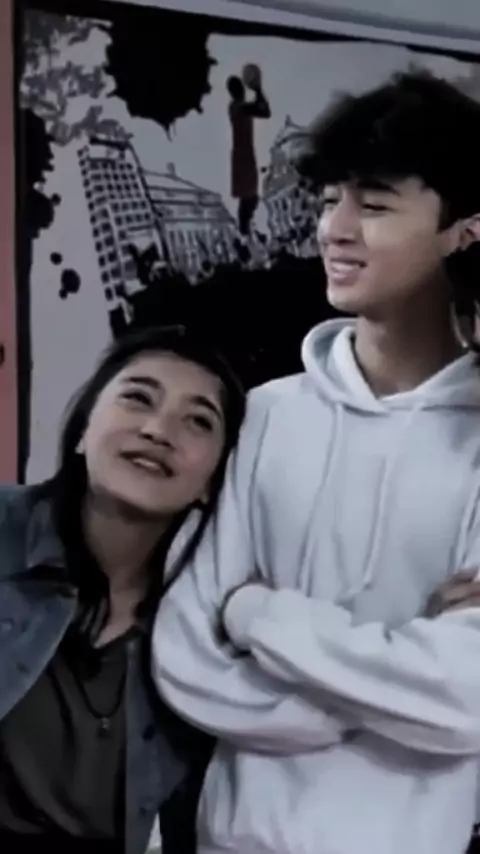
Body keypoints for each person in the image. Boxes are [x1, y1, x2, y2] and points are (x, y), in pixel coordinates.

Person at [152, 72, 480, 854]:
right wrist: (386, 691)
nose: (335, 228)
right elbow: (185, 654)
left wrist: (257, 617)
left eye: (374, 205)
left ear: (465, 231)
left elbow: (466, 697)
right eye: (331, 200)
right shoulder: (267, 414)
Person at [0, 324, 245, 854]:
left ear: (212, 481)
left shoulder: (215, 619)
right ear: (83, 431)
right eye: (138, 398)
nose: (158, 430)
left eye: (198, 420)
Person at [227, 64, 271, 238]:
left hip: (242, 156)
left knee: (249, 198)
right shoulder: (239, 107)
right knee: (249, 197)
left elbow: (264, 111)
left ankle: (245, 230)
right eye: (241, 88)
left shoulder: (237, 107)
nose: (243, 91)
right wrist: (258, 89)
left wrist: (258, 90)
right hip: (243, 157)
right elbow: (265, 112)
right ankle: (245, 231)